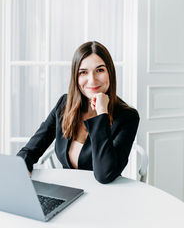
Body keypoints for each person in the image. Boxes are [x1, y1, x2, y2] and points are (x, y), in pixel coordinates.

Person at [17, 41, 140, 184]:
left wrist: (102, 113)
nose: (92, 80)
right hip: (67, 191)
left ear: (110, 73)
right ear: (76, 77)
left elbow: (105, 175)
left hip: (104, 196)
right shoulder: (64, 104)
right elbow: (31, 150)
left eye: (100, 70)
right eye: (83, 72)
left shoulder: (127, 117)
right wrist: (20, 166)